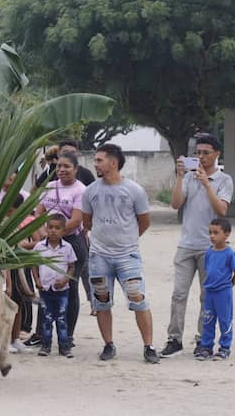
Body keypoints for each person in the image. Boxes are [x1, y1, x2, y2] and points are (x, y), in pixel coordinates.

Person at [83, 143, 159, 364]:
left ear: (113, 162)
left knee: (138, 299)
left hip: (128, 256)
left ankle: (149, 346)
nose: (95, 164)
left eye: (99, 160)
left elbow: (144, 221)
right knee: (101, 302)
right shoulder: (91, 191)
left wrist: (128, 240)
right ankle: (108, 344)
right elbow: (87, 221)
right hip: (99, 256)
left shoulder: (134, 190)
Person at [161, 133, 232, 358]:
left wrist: (206, 183)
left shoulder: (224, 180)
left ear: (217, 154)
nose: (201, 157)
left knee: (206, 296)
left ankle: (204, 339)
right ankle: (175, 339)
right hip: (186, 243)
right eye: (198, 153)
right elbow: (175, 204)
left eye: (205, 153)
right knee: (178, 294)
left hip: (210, 247)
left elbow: (222, 210)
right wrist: (181, 176)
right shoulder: (190, 178)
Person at [34, 151, 87, 347]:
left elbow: (75, 220)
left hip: (71, 242)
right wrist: (43, 234)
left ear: (76, 169)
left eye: (67, 166)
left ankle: (68, 335)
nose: (62, 170)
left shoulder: (81, 190)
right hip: (47, 242)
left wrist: (56, 234)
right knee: (45, 285)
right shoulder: (49, 186)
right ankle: (42, 333)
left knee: (69, 289)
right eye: (59, 167)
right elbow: (38, 212)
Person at [32, 214, 77, 358]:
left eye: (57, 228)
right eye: (50, 227)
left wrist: (65, 280)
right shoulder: (39, 246)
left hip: (62, 290)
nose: (53, 231)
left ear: (63, 230)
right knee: (46, 318)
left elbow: (71, 266)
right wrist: (37, 280)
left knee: (62, 319)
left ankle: (64, 346)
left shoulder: (67, 247)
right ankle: (46, 345)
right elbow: (33, 264)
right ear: (46, 228)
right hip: (45, 289)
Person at [195, 218, 235, 361]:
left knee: (225, 320)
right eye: (210, 233)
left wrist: (228, 286)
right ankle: (206, 347)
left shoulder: (229, 253)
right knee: (207, 320)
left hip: (223, 293)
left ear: (226, 234)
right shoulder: (208, 252)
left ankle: (224, 348)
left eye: (216, 233)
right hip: (210, 292)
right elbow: (208, 270)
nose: (212, 236)